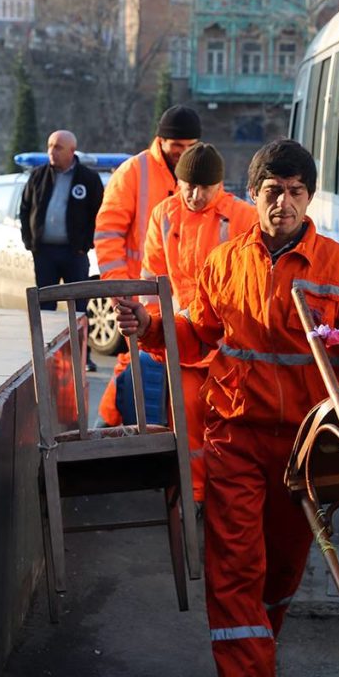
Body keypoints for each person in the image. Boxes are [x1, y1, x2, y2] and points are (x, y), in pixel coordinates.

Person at [115, 139, 339, 677]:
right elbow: (198, 338)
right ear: (254, 196)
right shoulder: (224, 264)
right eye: (273, 192)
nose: (284, 204)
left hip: (305, 448)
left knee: (281, 572)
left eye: (296, 192)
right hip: (235, 439)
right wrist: (149, 327)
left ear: (309, 198)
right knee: (235, 570)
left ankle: (256, 651)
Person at [141, 142, 256, 504]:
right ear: (177, 181)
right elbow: (152, 279)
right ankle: (193, 499)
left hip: (228, 346)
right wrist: (157, 334)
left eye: (204, 187)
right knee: (187, 426)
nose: (195, 194)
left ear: (219, 185)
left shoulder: (241, 217)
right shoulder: (164, 215)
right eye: (188, 185)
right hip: (184, 340)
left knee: (228, 428)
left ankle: (225, 499)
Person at [94, 104, 202, 424]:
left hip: (182, 303)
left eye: (190, 148)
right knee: (134, 372)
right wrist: (121, 291)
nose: (183, 154)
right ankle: (110, 437)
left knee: (164, 380)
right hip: (140, 297)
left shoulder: (199, 174)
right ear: (161, 141)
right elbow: (108, 234)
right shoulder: (133, 172)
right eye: (177, 147)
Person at [19, 129, 105, 368]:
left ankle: (80, 356)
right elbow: (25, 209)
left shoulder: (87, 179)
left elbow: (98, 214)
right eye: (49, 146)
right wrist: (30, 241)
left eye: (58, 147)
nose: (51, 152)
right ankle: (43, 356)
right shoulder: (38, 176)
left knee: (78, 307)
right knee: (44, 306)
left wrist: (85, 244)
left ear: (71, 151)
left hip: (74, 253)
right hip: (44, 252)